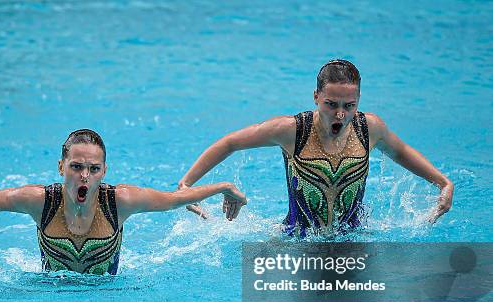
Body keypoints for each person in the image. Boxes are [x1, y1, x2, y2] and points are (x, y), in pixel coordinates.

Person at [0, 129, 247, 274]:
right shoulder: (39, 201)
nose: (84, 176)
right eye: (77, 166)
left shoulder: (119, 201)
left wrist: (224, 187)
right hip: (50, 296)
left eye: (94, 168)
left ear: (104, 170)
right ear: (61, 166)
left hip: (108, 300)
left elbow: (173, 200)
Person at [178, 59, 454, 236]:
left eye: (349, 106)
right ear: (316, 97)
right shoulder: (291, 130)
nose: (340, 115)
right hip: (296, 241)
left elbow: (401, 152)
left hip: (354, 237)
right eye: (331, 104)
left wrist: (442, 183)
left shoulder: (370, 127)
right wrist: (187, 184)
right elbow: (230, 142)